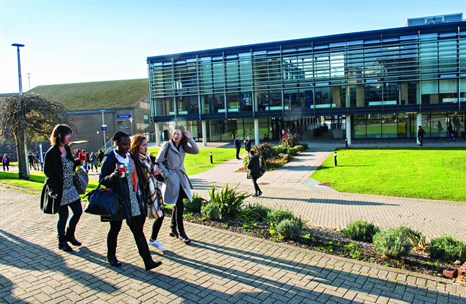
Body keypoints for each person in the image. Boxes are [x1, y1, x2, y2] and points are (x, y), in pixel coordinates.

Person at [99, 131, 162, 271]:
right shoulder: (109, 158)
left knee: (138, 231)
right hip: (118, 201)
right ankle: (111, 256)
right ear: (116, 142)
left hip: (133, 199)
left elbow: (142, 170)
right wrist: (115, 175)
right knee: (115, 229)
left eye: (128, 144)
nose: (126, 147)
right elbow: (103, 181)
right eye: (123, 144)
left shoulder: (130, 156)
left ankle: (148, 261)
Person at [43, 124, 83, 252]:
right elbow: (48, 173)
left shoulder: (67, 148)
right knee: (63, 216)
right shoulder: (52, 153)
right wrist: (52, 190)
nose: (70, 137)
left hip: (70, 188)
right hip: (60, 189)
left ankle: (70, 235)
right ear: (59, 135)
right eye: (68, 134)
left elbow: (70, 165)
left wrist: (79, 160)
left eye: (70, 134)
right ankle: (62, 241)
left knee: (78, 211)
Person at [156, 125, 199, 244]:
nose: (175, 136)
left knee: (178, 203)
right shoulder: (167, 145)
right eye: (174, 133)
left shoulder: (183, 146)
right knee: (179, 205)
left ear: (182, 136)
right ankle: (181, 232)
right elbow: (158, 161)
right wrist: (167, 174)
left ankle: (172, 228)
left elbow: (196, 151)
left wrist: (190, 139)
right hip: (172, 178)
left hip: (181, 177)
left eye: (178, 134)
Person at [130, 134, 165, 251]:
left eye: (146, 145)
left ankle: (152, 240)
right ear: (136, 146)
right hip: (142, 194)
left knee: (160, 214)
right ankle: (141, 242)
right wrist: (151, 173)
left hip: (153, 191)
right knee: (141, 220)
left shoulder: (147, 157)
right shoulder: (134, 160)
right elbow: (139, 177)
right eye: (143, 145)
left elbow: (151, 170)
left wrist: (155, 171)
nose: (146, 148)